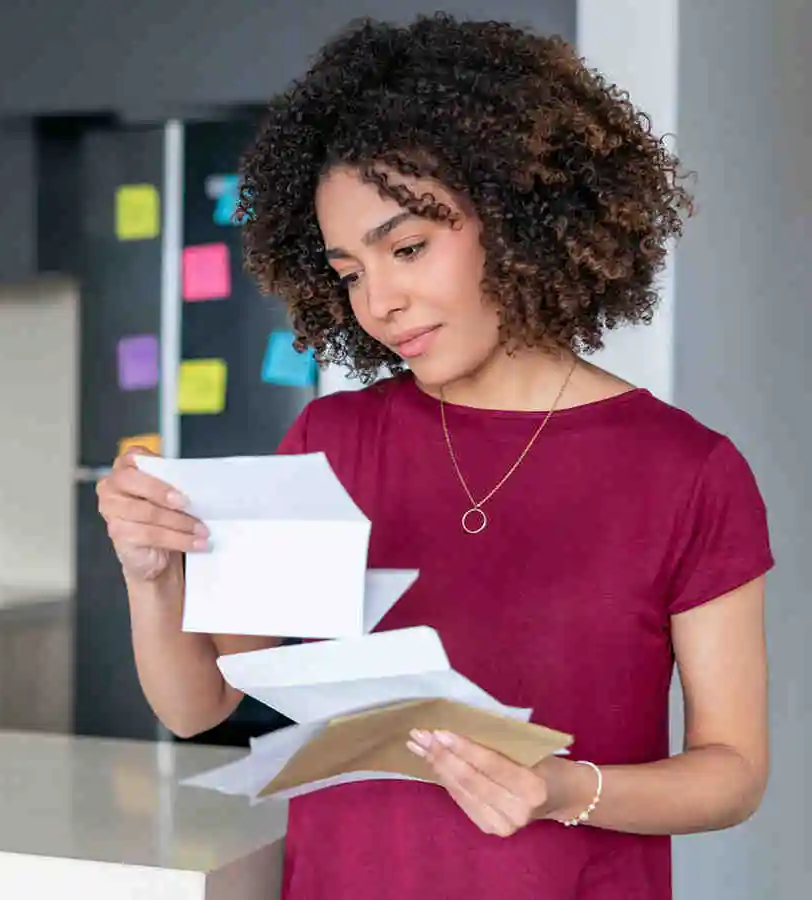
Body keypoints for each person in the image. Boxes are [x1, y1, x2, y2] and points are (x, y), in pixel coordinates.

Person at [96, 13, 773, 900]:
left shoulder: (689, 472)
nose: (379, 302)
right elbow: (199, 708)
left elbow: (733, 771)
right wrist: (152, 579)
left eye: (407, 248)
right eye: (348, 272)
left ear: (518, 215)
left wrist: (570, 789)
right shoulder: (333, 442)